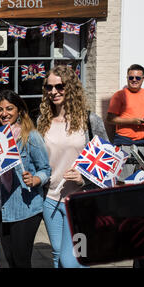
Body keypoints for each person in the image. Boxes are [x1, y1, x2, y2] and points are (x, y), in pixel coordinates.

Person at [37, 65, 109, 268]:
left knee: (74, 260)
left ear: (71, 87)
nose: (53, 92)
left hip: (80, 201)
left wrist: (84, 178)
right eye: (49, 87)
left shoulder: (89, 120)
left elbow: (108, 161)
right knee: (57, 256)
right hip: (50, 200)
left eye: (59, 86)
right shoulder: (42, 120)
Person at [0, 89, 51, 268]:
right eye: (0, 110)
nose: (4, 113)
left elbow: (46, 169)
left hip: (26, 208)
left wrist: (35, 179)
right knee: (10, 260)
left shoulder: (30, 136)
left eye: (9, 108)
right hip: (3, 208)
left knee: (21, 261)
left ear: (19, 111)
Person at [106, 64, 144, 180]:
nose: (134, 80)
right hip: (125, 144)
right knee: (123, 180)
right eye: (131, 77)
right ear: (127, 78)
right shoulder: (119, 95)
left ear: (143, 79)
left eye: (138, 78)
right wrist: (132, 121)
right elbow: (110, 119)